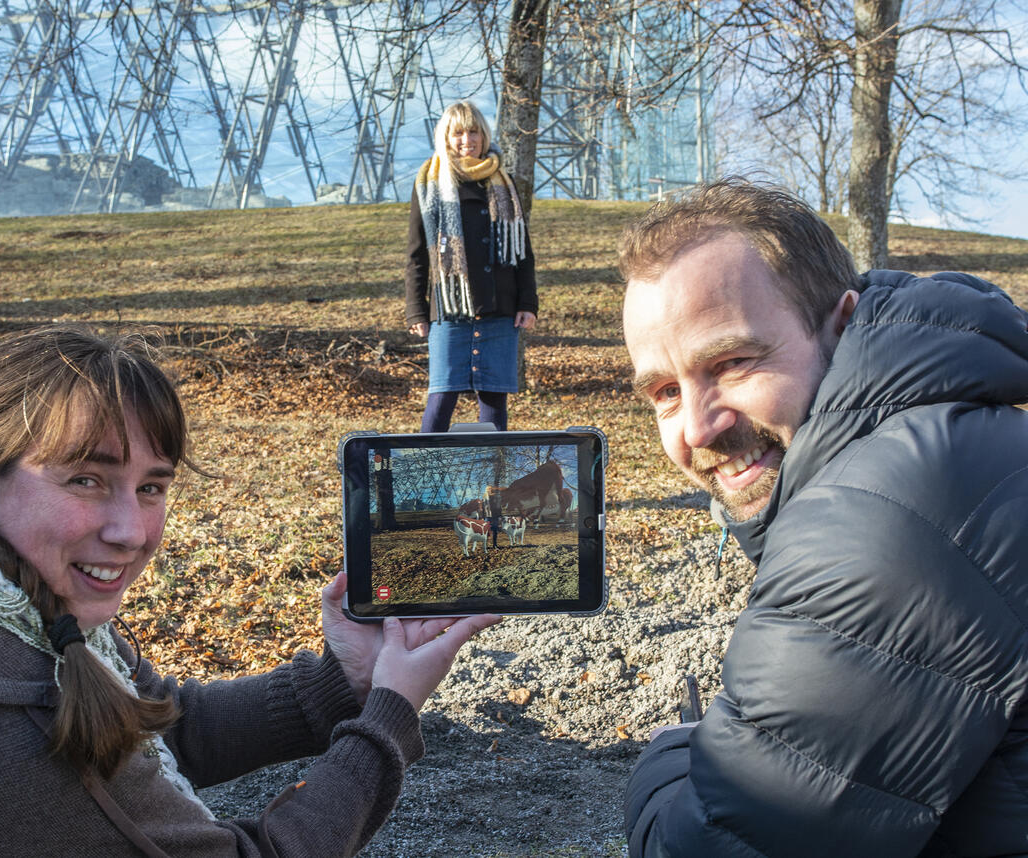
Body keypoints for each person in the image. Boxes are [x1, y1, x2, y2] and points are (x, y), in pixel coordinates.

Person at [0, 324, 500, 857]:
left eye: (152, 486)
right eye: (86, 479)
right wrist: (386, 716)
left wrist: (341, 682)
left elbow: (151, 723)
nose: (132, 532)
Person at [617, 179, 1028, 856]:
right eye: (664, 392)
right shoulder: (948, 443)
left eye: (733, 362)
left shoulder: (884, 521)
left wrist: (670, 760)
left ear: (839, 323)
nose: (696, 426)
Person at [405, 100, 538, 433]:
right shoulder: (429, 184)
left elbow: (523, 251)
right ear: (447, 137)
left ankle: (491, 480)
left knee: (494, 402)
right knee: (441, 397)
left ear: (484, 134)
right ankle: (424, 474)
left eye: (474, 131)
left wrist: (527, 304)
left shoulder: (503, 182)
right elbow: (417, 252)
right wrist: (416, 311)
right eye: (459, 132)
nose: (468, 139)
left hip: (500, 309)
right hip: (450, 309)